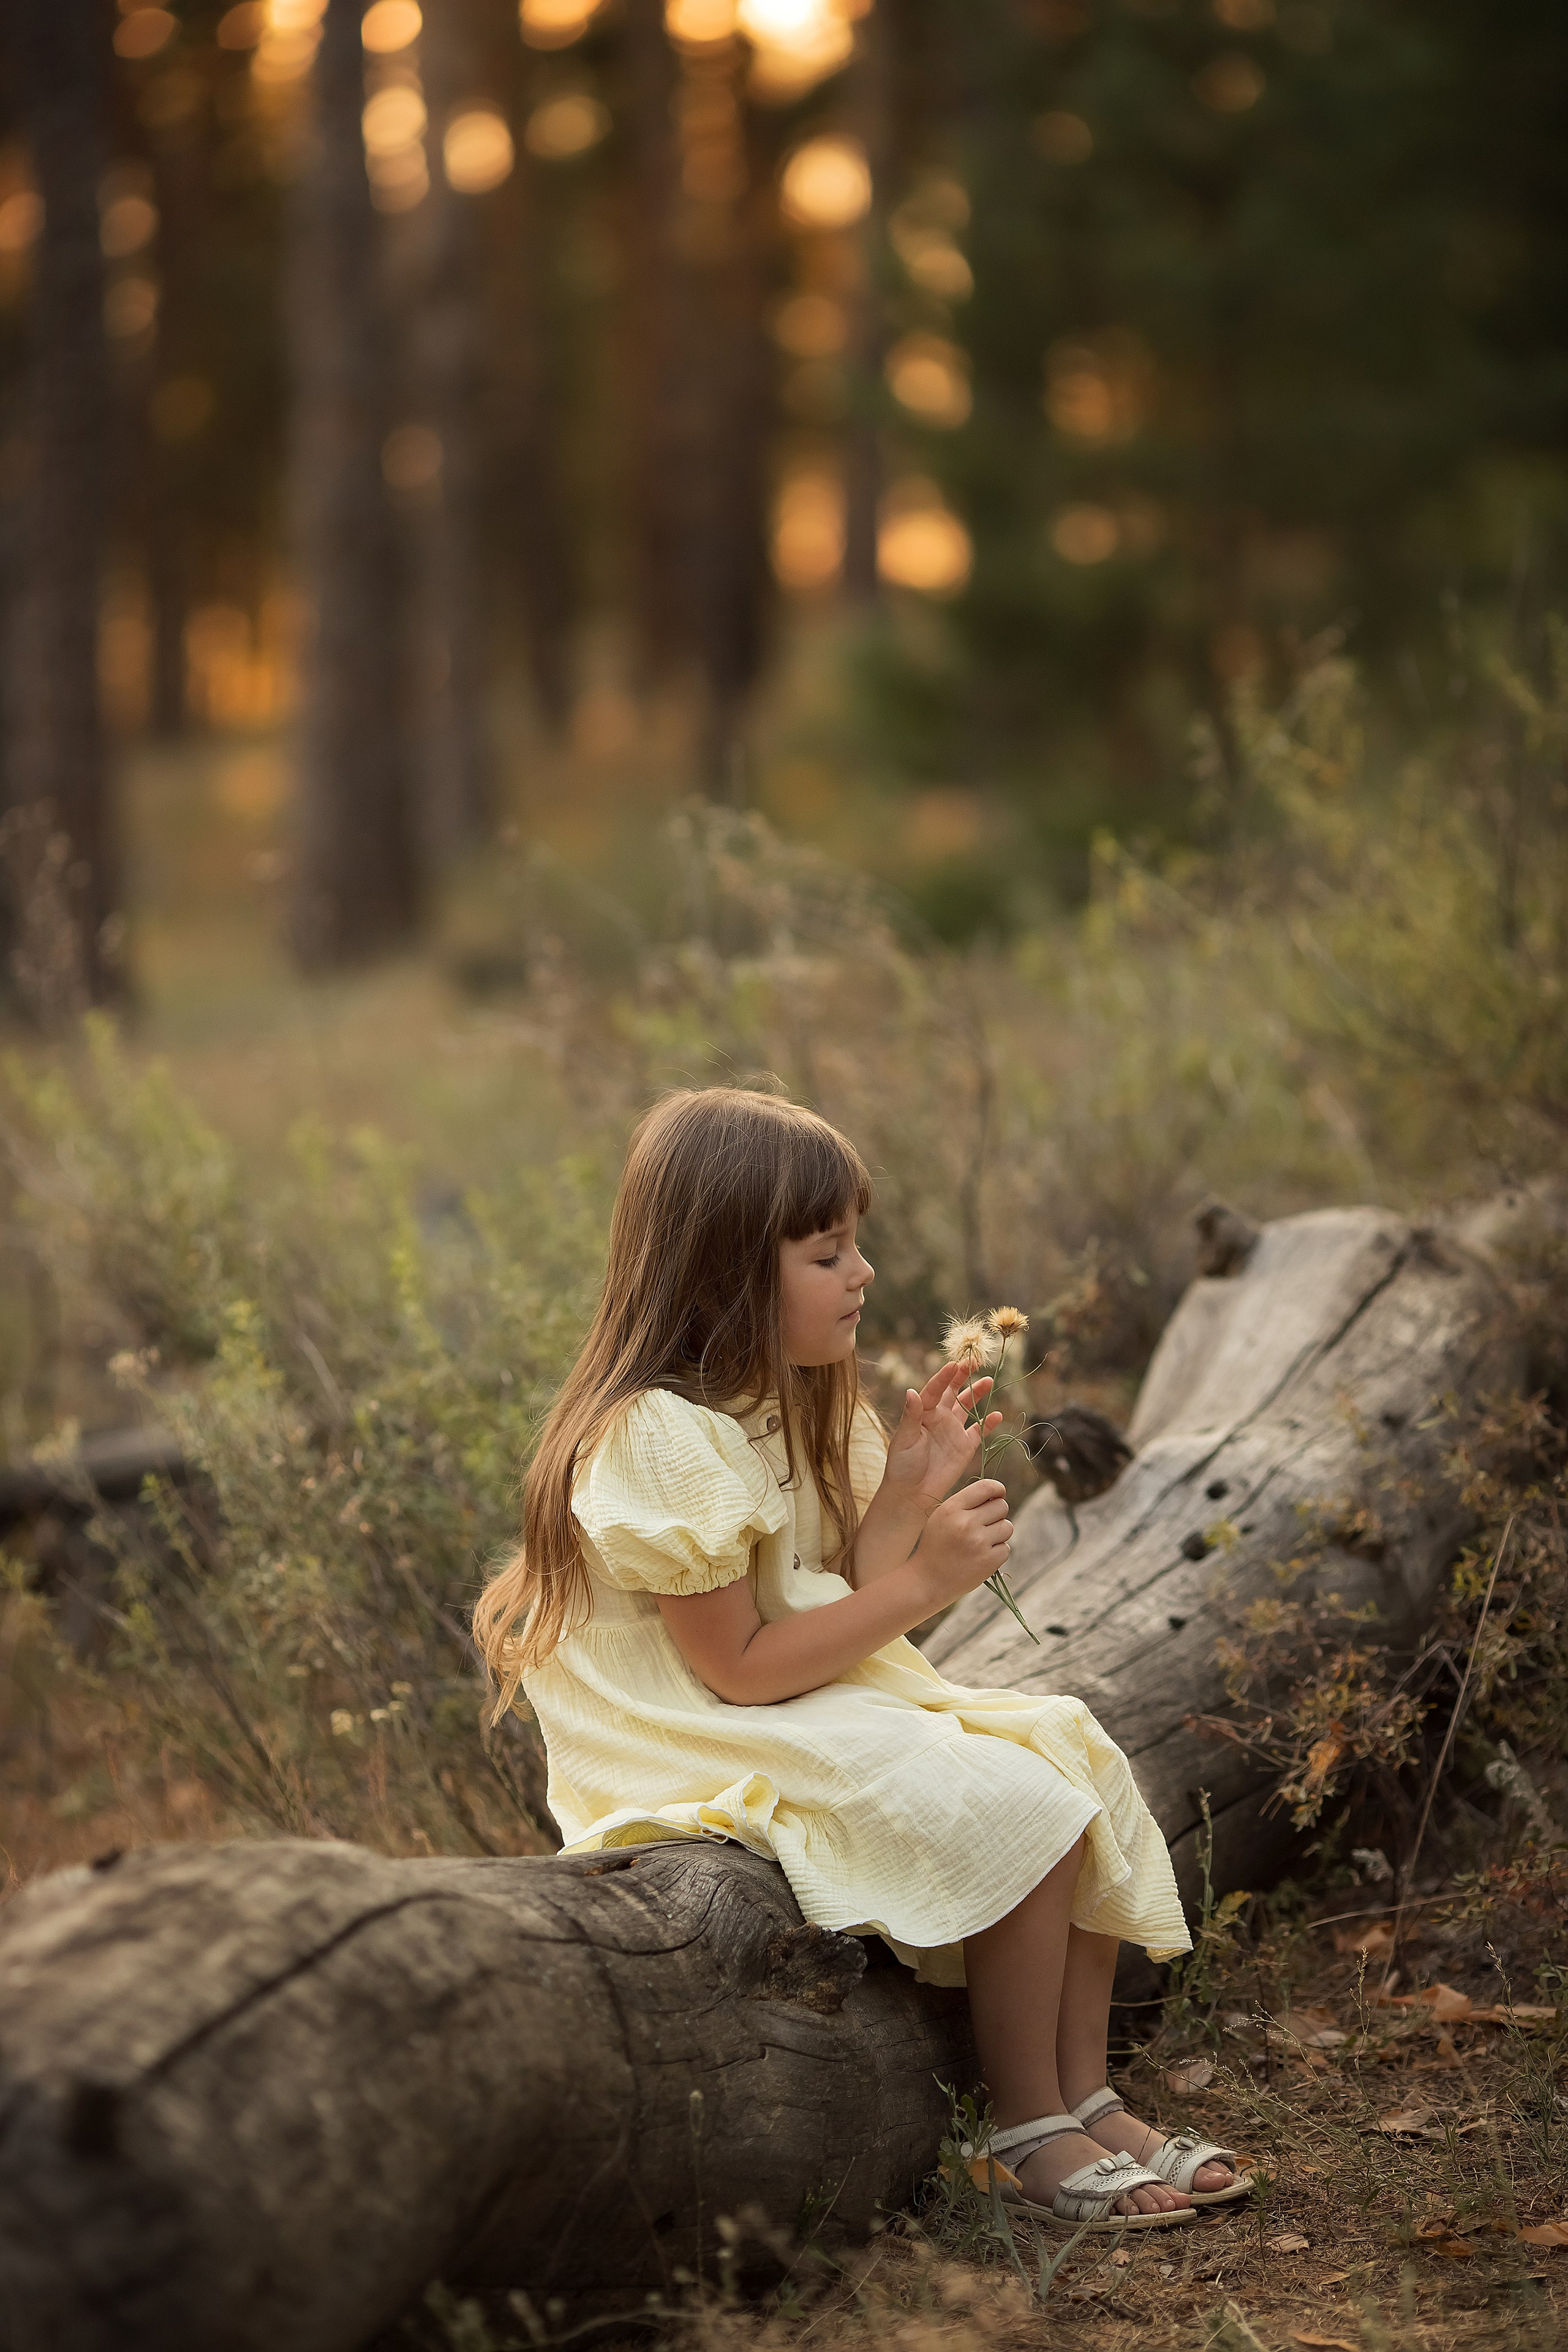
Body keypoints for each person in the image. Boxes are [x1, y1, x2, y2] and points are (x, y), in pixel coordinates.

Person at [475, 1089, 1249, 2230]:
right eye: (828, 1252)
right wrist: (926, 1580)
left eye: (857, 1245)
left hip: (774, 1698)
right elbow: (738, 1668)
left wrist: (899, 1502)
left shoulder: (773, 1405)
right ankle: (1021, 2121)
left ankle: (1085, 2093)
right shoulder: (656, 1434)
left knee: (1068, 1752)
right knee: (1010, 1801)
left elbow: (823, 1601)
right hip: (687, 1733)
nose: (865, 1273)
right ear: (725, 1271)